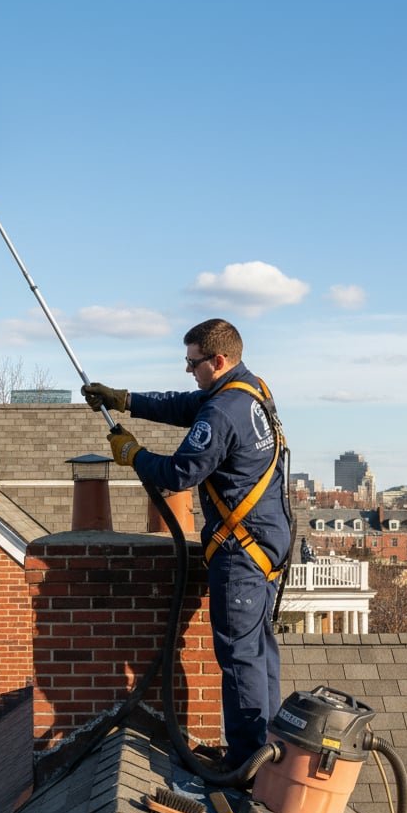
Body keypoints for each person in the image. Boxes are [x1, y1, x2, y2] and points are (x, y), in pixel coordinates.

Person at [83, 319, 292, 769]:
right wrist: (126, 400)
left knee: (239, 657)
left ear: (217, 361)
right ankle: (268, 754)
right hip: (267, 540)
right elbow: (186, 405)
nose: (188, 371)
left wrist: (132, 455)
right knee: (258, 650)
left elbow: (181, 473)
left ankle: (247, 763)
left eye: (193, 363)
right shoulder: (249, 390)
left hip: (242, 550)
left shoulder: (223, 413)